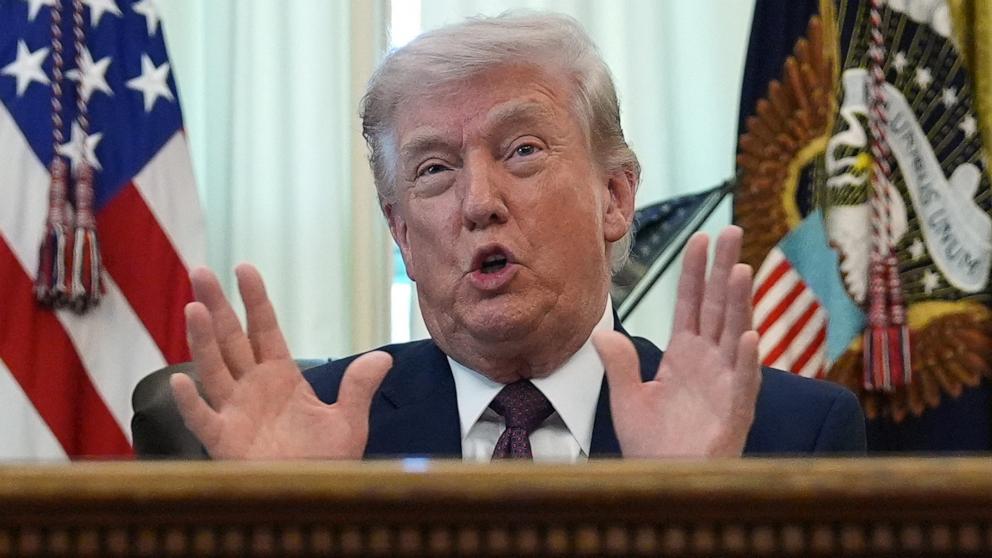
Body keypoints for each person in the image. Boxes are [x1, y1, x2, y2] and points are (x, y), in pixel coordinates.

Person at [168, 12, 865, 461]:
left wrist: (691, 511)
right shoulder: (297, 445)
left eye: (523, 150)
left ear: (615, 196)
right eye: (435, 168)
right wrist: (290, 528)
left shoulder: (788, 437)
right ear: (402, 233)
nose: (479, 203)